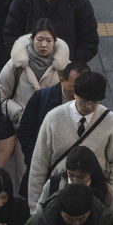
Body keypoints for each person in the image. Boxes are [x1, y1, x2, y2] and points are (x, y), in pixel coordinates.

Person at [27, 71, 113, 211]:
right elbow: (39, 163)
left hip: (95, 196)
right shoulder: (53, 118)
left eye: (94, 102)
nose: (89, 106)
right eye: (84, 101)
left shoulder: (111, 121)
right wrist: (35, 208)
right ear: (75, 94)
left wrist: (110, 194)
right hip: (58, 194)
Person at [0, 21, 70, 162]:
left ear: (55, 41)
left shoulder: (64, 67)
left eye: (49, 40)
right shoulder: (16, 64)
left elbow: (72, 99)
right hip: (24, 131)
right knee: (25, 175)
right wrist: (18, 114)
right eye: (39, 40)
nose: (44, 45)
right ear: (31, 39)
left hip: (54, 132)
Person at [16, 61, 91, 192]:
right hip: (42, 170)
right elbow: (25, 131)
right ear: (62, 80)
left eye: (84, 87)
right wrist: (35, 158)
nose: (79, 92)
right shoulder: (42, 97)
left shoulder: (90, 105)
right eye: (74, 87)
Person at [4, 0, 99, 64]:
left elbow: (89, 40)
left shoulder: (76, 0)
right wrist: (23, 59)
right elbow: (11, 34)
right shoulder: (24, 0)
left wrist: (70, 63)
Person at [36, 145, 113, 212]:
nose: (75, 181)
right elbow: (39, 214)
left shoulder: (106, 191)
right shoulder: (53, 185)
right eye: (71, 175)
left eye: (81, 177)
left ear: (91, 173)